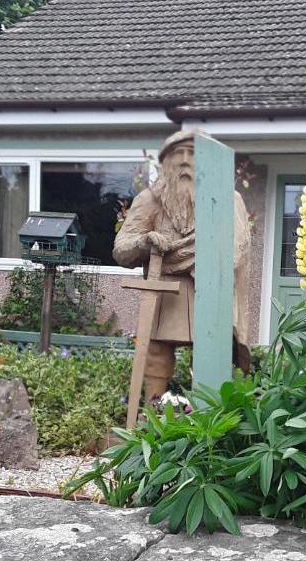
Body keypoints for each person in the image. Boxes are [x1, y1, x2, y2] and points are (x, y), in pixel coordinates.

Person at [114, 129, 251, 399]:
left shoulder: (227, 199)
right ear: (166, 162)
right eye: (179, 153)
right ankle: (153, 410)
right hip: (165, 290)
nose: (186, 160)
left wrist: (205, 258)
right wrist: (144, 242)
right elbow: (121, 248)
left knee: (211, 354)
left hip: (210, 288)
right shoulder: (149, 200)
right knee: (156, 352)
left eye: (194, 153)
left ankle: (208, 415)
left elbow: (238, 244)